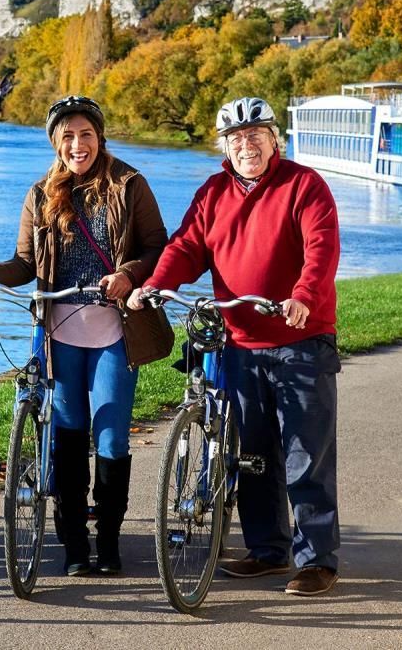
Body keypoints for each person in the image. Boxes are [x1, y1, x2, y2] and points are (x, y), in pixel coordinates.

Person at [130, 96, 342, 597]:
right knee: (253, 453)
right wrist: (159, 284)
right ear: (225, 145)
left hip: (300, 339)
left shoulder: (303, 185)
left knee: (305, 453)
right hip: (239, 340)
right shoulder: (214, 192)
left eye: (256, 135)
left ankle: (317, 561)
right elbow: (187, 245)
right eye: (237, 138)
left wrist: (303, 296)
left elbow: (321, 248)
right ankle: (269, 551)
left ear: (274, 139)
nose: (247, 145)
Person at [0, 95, 170, 576]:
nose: (78, 145)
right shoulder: (39, 194)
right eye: (68, 137)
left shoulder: (130, 184)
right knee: (69, 440)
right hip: (61, 333)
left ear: (100, 137)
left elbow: (159, 247)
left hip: (116, 331)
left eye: (86, 134)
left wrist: (129, 275)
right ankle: (74, 547)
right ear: (57, 143)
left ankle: (109, 544)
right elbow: (24, 264)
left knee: (112, 438)